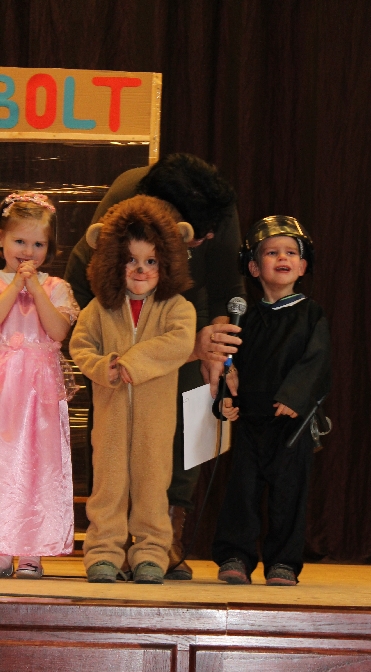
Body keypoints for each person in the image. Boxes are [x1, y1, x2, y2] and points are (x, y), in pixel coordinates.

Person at [65, 153, 245, 579]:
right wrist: (104, 359)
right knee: (112, 447)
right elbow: (79, 295)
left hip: (185, 308)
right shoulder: (123, 204)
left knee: (197, 404)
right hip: (116, 315)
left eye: (206, 237)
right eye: (197, 238)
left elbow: (227, 287)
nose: (205, 241)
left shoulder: (217, 210)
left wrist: (218, 355)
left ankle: (167, 529)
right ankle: (108, 542)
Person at [69, 195, 196, 584]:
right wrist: (104, 367)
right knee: (107, 486)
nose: (141, 270)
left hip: (156, 420)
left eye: (151, 261)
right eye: (131, 260)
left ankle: (151, 553)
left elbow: (179, 343)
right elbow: (80, 346)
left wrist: (132, 363)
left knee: (153, 485)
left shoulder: (176, 307)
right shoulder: (99, 309)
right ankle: (103, 552)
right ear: (111, 261)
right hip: (110, 417)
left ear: (168, 262)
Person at [212, 216, 331, 586]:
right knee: (242, 490)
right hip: (250, 419)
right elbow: (230, 364)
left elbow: (317, 361)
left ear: (303, 266)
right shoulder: (244, 316)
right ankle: (236, 555)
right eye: (272, 252)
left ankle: (283, 561)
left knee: (288, 493)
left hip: (291, 422)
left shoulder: (311, 314)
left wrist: (295, 396)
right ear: (253, 267)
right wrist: (225, 396)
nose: (283, 258)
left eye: (291, 253)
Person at [0, 192, 80, 579]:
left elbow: (58, 331)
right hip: (3, 387)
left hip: (39, 393)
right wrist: (16, 285)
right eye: (19, 241)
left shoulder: (56, 286)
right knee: (3, 464)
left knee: (38, 464)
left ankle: (32, 550)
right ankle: (2, 546)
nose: (28, 252)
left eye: (38, 244)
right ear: (1, 239)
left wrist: (35, 289)